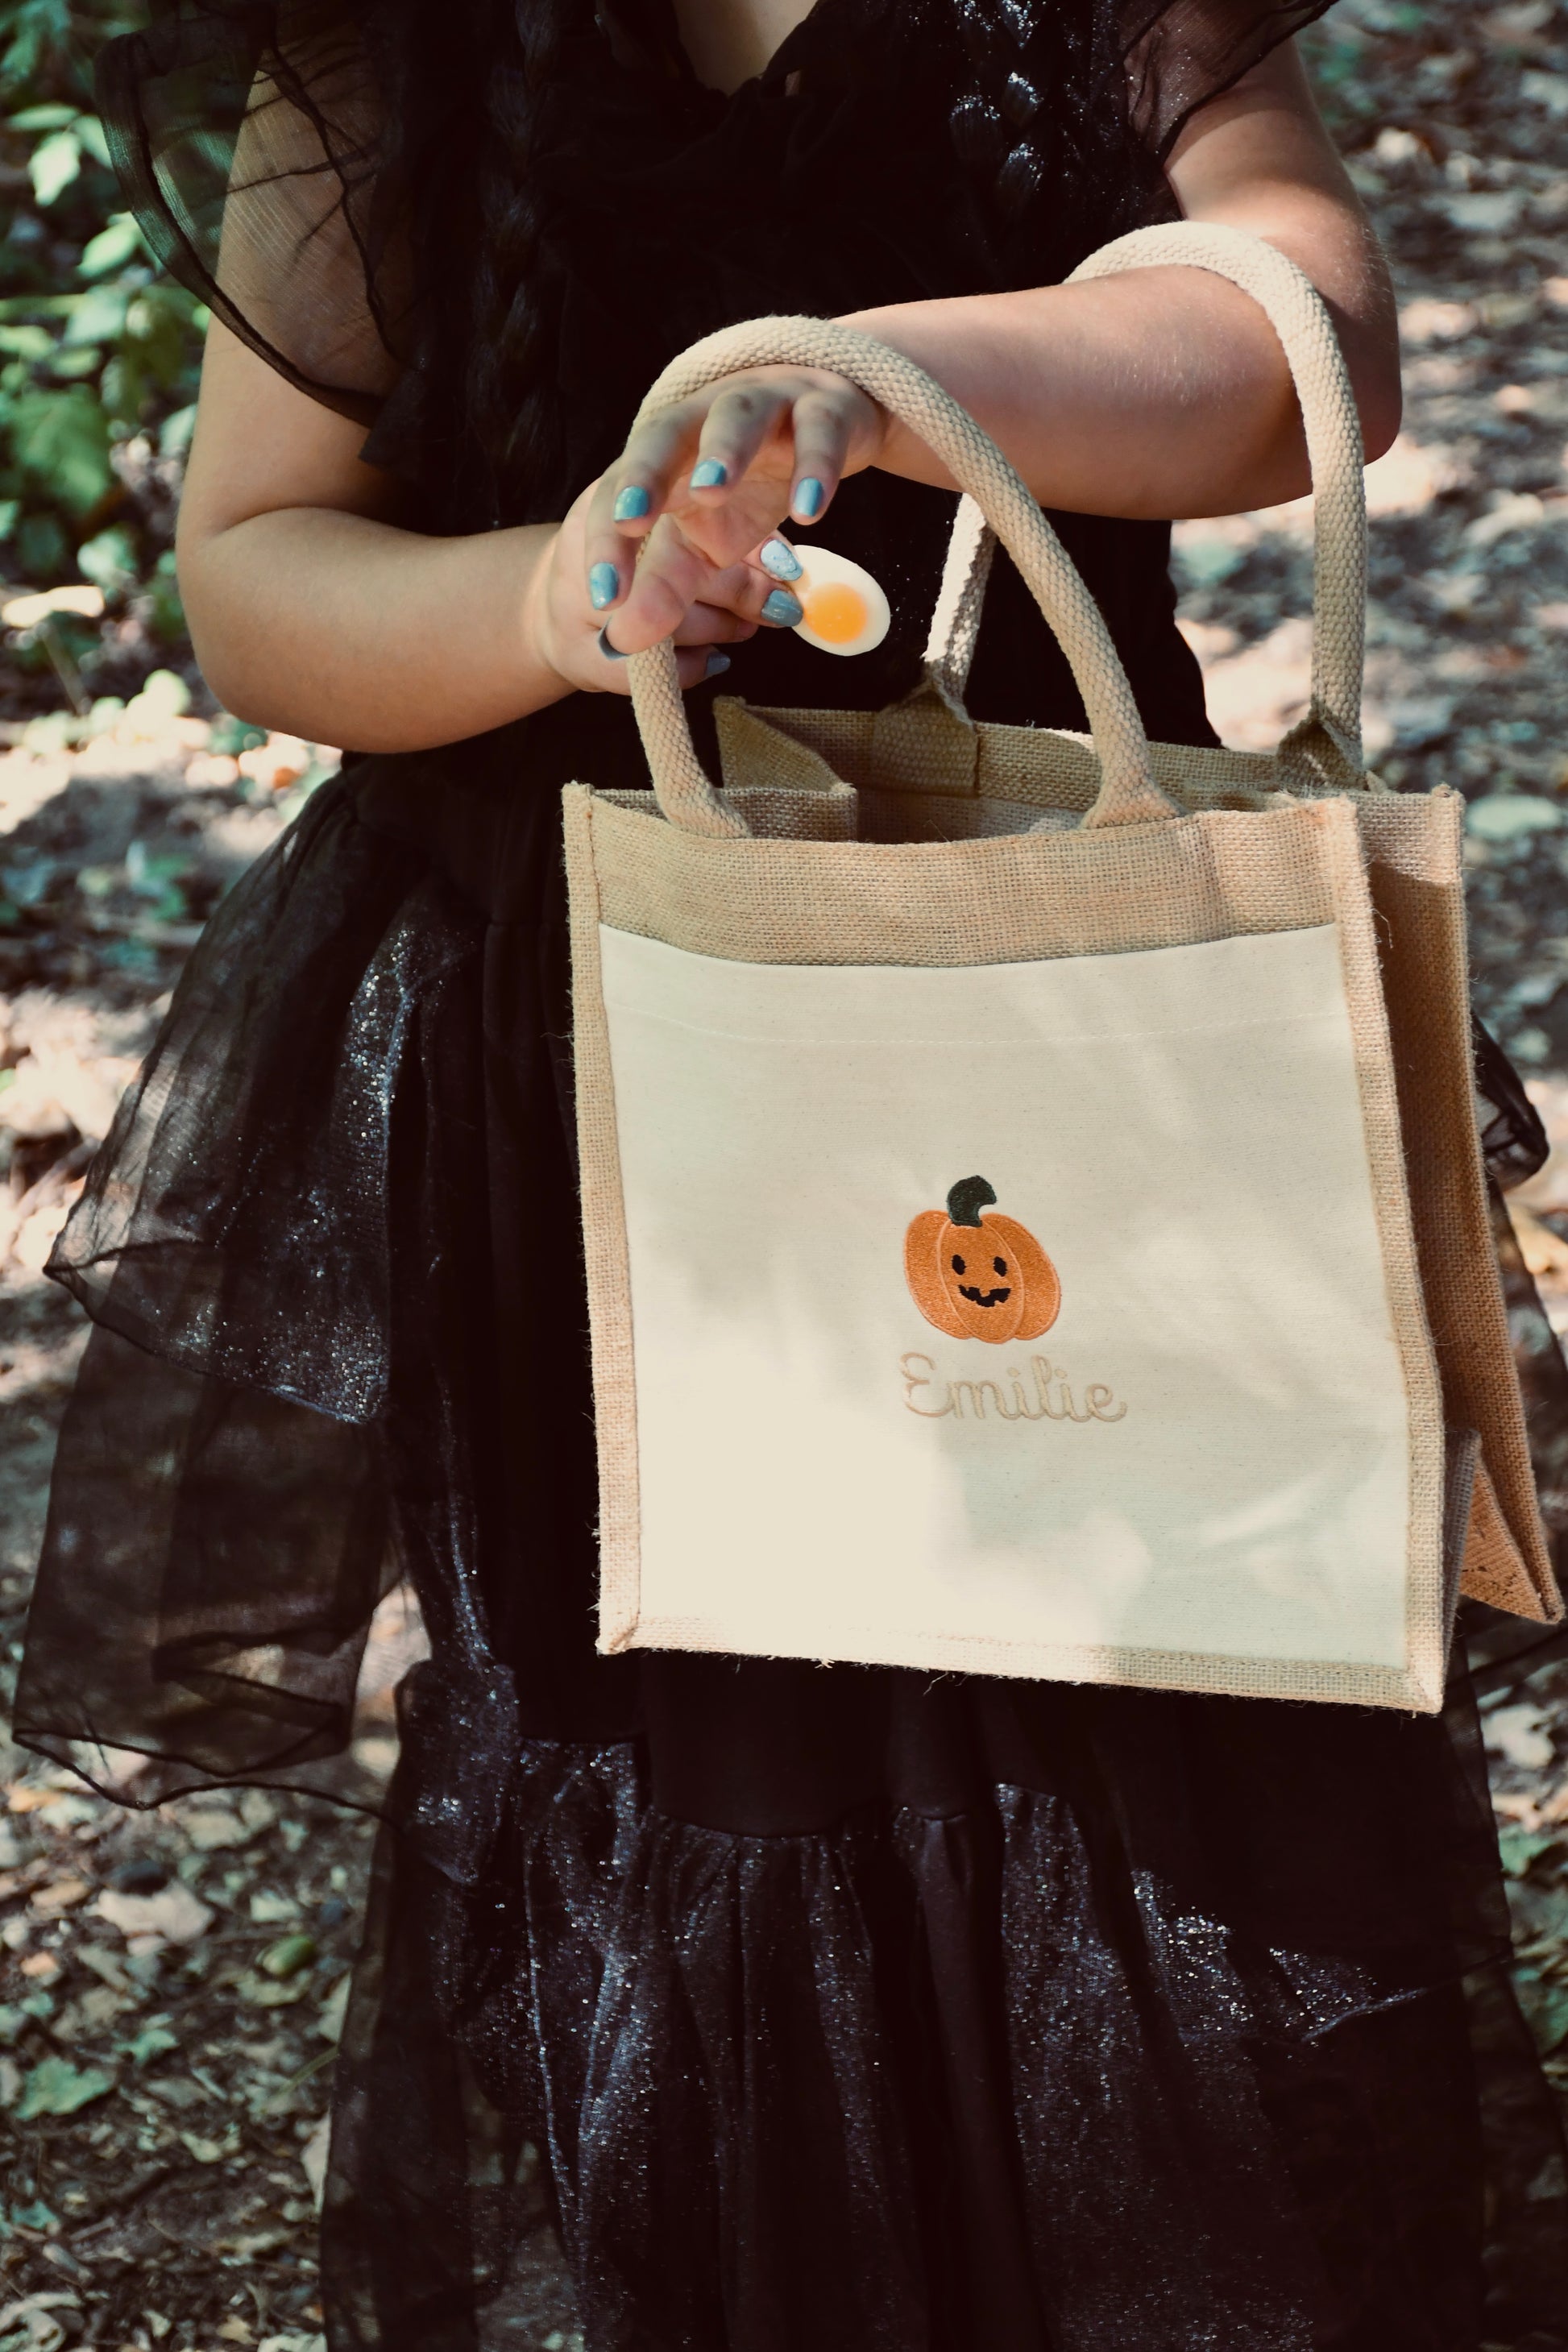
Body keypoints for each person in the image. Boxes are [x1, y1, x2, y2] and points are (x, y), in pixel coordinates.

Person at [15, 0, 1568, 2344]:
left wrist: (877, 384)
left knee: (1163, 1720)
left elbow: (1301, 345)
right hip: (615, 1078)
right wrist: (551, 600)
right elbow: (250, 577)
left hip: (1063, 1003)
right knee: (718, 1768)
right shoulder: (389, 54)